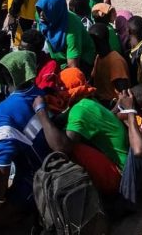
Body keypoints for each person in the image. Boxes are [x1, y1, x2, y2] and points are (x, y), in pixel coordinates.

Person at [32, 67, 129, 195]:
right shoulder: (88, 101)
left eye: (60, 87)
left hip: (121, 176)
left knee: (74, 149)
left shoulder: (80, 110)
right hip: (125, 166)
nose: (57, 91)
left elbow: (61, 147)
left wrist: (41, 112)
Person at [0, 50, 51, 216]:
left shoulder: (2, 110)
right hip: (55, 165)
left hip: (34, 179)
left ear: (5, 76)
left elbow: (3, 161)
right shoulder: (40, 93)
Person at [35, 0, 96, 75]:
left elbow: (73, 67)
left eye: (46, 10)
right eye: (39, 9)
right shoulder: (41, 17)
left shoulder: (72, 27)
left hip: (81, 58)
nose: (41, 14)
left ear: (55, 10)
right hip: (58, 58)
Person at [88, 23, 130, 104]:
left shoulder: (115, 61)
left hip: (112, 104)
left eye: (91, 40)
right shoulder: (99, 57)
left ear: (98, 41)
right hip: (101, 101)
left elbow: (124, 94)